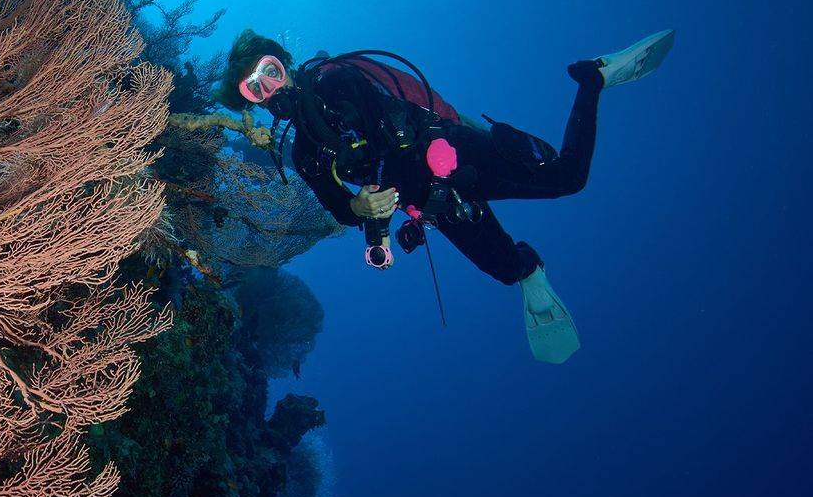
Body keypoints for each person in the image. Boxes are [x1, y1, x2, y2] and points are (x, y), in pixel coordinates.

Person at [220, 28, 676, 362]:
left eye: (271, 71)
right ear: (251, 102)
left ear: (284, 62)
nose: (270, 87)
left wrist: (376, 196)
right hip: (433, 202)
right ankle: (529, 269)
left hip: (452, 156)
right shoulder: (303, 153)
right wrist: (360, 207)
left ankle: (593, 78)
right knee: (503, 269)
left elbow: (387, 137)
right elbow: (340, 209)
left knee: (567, 178)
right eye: (255, 87)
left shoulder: (335, 81)